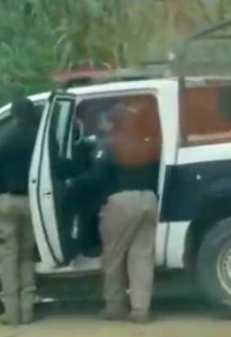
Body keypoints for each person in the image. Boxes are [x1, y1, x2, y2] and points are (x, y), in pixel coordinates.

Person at [66, 101, 160, 324]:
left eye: (106, 121)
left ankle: (115, 306)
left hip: (121, 202)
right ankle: (140, 310)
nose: (103, 124)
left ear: (113, 123)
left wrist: (73, 183)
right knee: (142, 257)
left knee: (113, 257)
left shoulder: (108, 144)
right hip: (149, 199)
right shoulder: (144, 143)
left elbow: (97, 176)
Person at [0, 96, 40, 326]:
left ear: (13, 115)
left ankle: (12, 312)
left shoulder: (3, 138)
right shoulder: (39, 137)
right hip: (33, 201)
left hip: (8, 202)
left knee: (8, 257)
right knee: (27, 255)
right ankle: (28, 309)